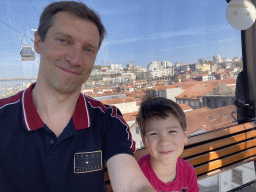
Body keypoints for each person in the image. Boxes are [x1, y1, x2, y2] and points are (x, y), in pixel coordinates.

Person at [0, 1, 156, 192]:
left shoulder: (107, 120)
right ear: (38, 42)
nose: (75, 59)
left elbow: (132, 184)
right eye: (64, 40)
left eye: (88, 49)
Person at [136, 96, 199, 192]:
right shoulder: (136, 173)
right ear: (144, 141)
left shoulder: (189, 172)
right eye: (154, 134)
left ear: (184, 136)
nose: (164, 142)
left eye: (172, 131)